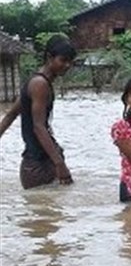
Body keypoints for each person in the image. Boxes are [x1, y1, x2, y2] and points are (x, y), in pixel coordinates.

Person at [0, 34, 76, 189]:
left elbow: (11, 115)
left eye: (70, 61)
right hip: (38, 166)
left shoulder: (36, 82)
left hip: (39, 162)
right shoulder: (40, 84)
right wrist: (59, 164)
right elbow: (38, 127)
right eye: (63, 60)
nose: (67, 65)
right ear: (49, 57)